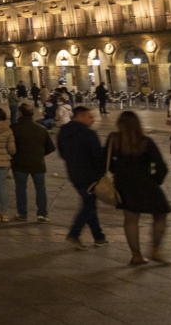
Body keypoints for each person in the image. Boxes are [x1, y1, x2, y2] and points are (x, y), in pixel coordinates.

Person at [107, 112, 171, 264]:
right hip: (146, 183)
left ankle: (136, 255)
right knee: (161, 214)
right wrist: (155, 182)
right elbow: (161, 166)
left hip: (124, 184)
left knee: (130, 219)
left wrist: (118, 173)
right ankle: (155, 251)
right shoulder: (146, 141)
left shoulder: (114, 140)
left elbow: (106, 161)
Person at [58, 106, 108, 250]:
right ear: (79, 116)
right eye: (89, 116)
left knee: (89, 204)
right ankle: (74, 234)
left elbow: (62, 154)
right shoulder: (89, 134)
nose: (92, 119)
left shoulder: (63, 131)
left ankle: (99, 237)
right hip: (89, 176)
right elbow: (98, 158)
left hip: (73, 174)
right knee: (88, 205)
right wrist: (101, 173)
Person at [11, 103, 56, 222]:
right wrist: (40, 154)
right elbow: (51, 147)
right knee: (40, 189)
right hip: (38, 163)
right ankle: (42, 214)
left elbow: (10, 147)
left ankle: (22, 213)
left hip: (19, 163)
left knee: (20, 189)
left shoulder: (13, 128)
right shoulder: (41, 128)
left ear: (20, 113)